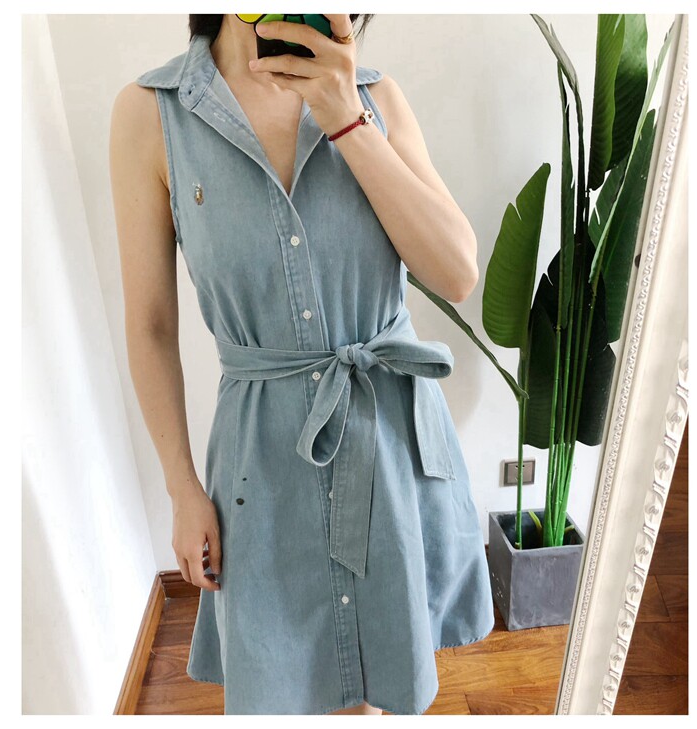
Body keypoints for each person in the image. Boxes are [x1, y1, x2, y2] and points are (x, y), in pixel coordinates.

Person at [109, 13, 494, 716]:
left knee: (381, 689)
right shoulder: (151, 115)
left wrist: (347, 118)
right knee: (279, 685)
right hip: (261, 469)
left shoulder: (376, 97)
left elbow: (456, 271)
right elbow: (151, 326)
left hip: (387, 445)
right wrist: (181, 488)